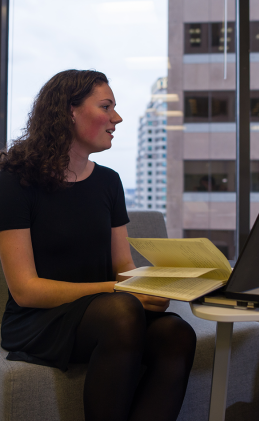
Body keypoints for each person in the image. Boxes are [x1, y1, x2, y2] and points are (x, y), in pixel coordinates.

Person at [0, 70, 197, 421]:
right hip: (39, 320)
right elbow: (26, 291)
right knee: (122, 311)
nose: (117, 118)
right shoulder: (15, 179)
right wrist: (120, 289)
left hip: (103, 312)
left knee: (176, 333)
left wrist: (155, 286)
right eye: (106, 107)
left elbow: (123, 266)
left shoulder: (109, 181)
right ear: (69, 111)